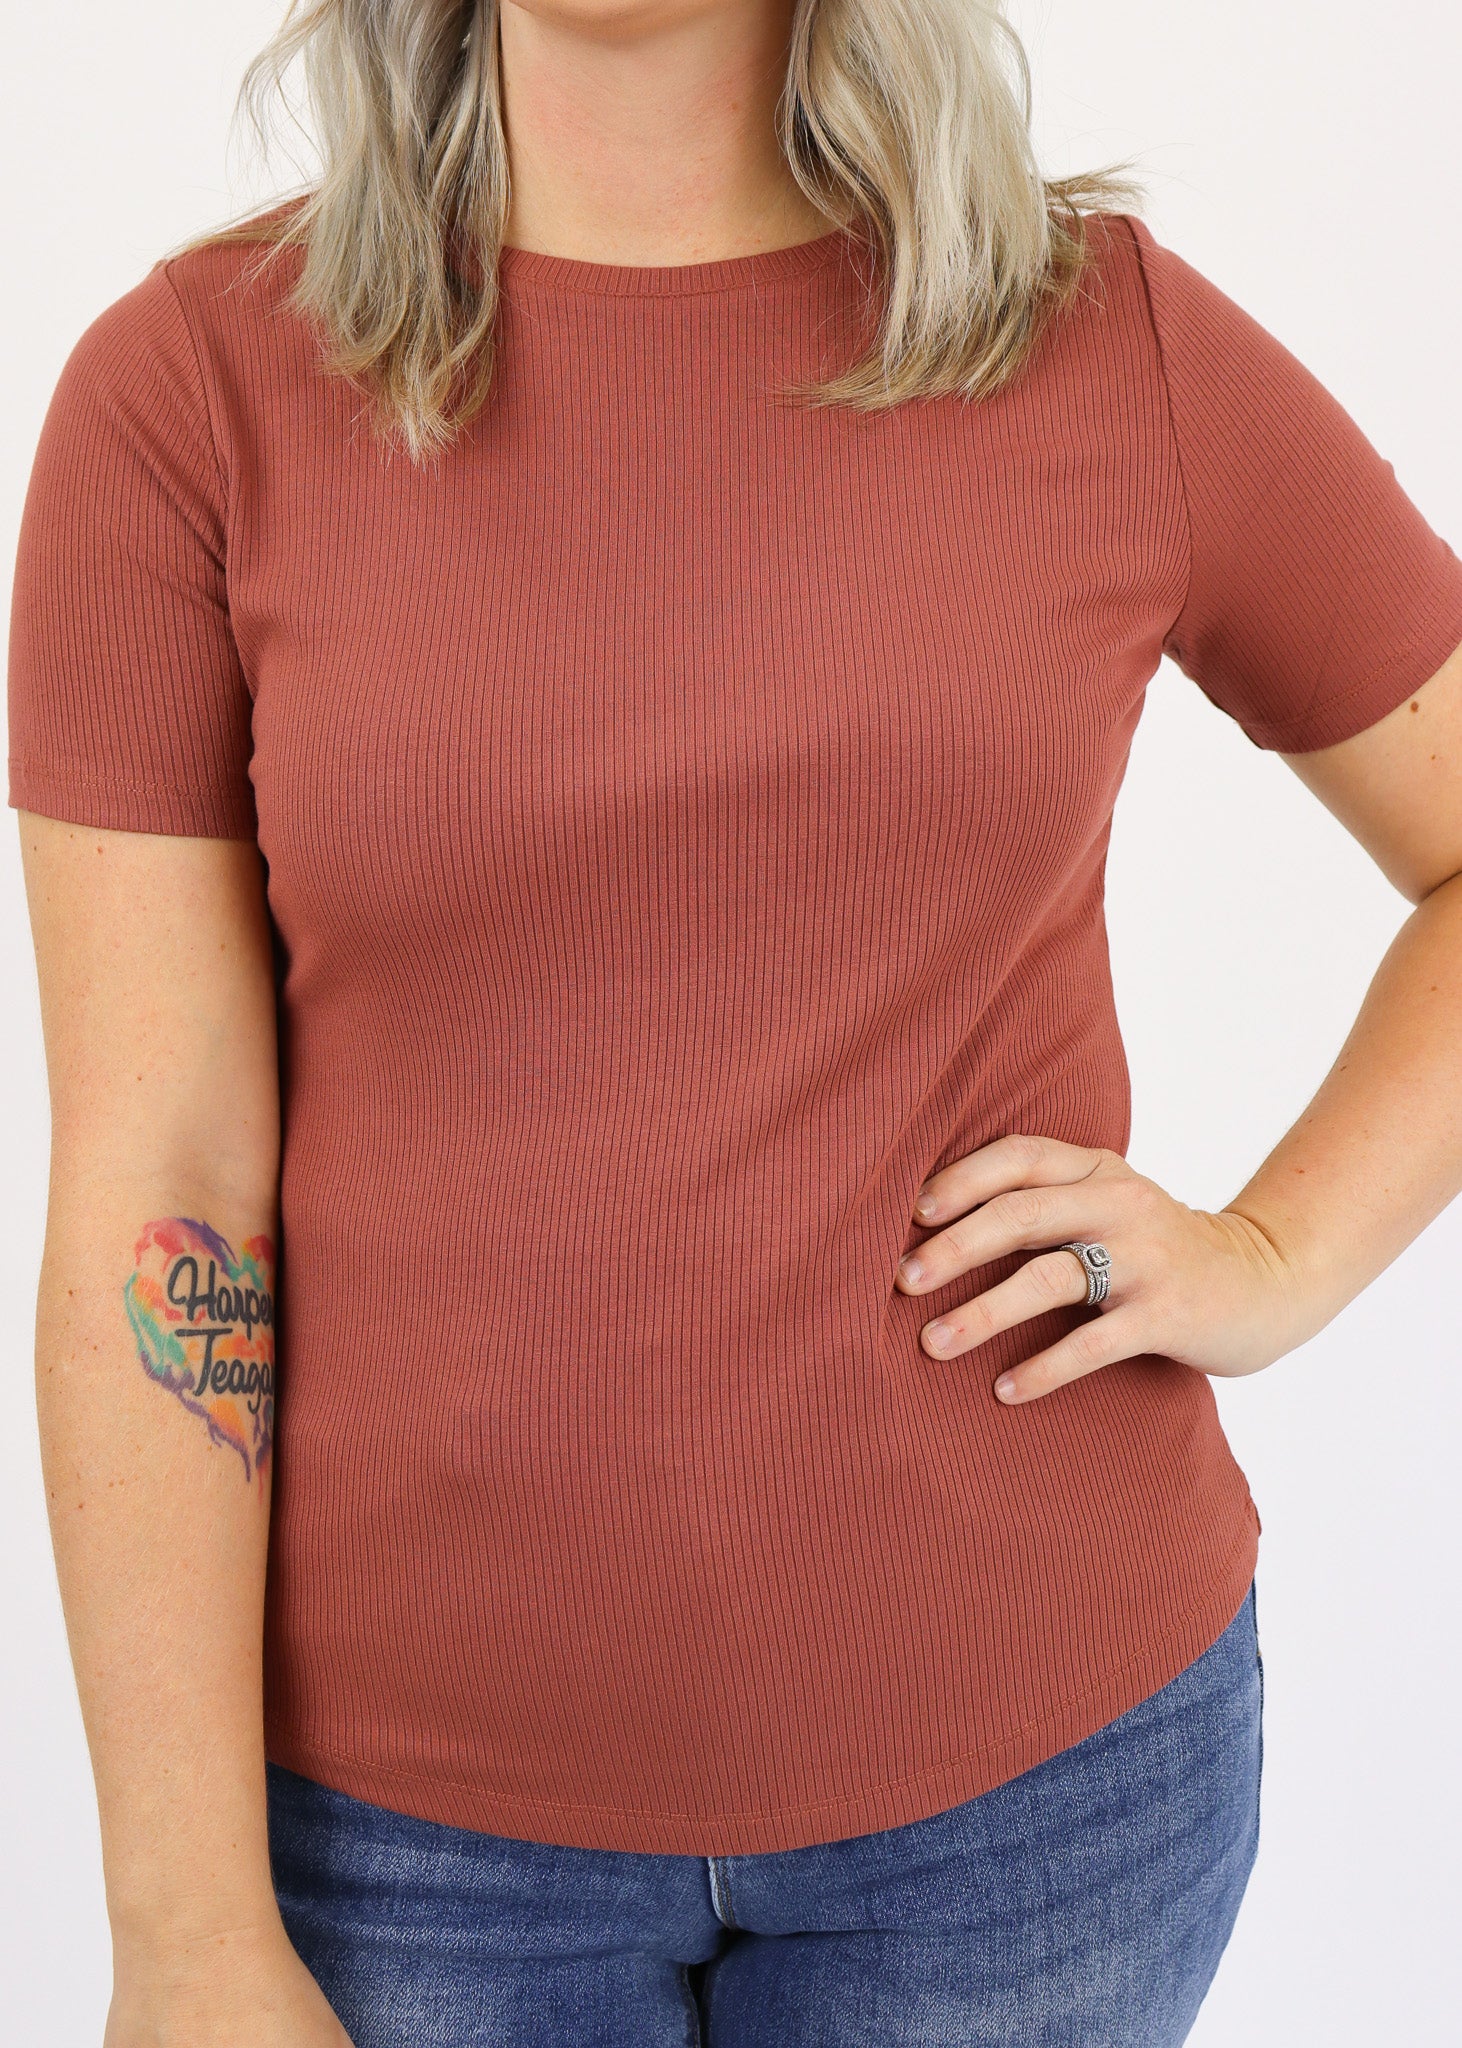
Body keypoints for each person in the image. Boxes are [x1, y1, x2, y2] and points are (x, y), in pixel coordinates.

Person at [10, 0, 1462, 2041]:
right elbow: (159, 1188)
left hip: (1039, 1802)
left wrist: (1275, 1254)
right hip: (399, 1837)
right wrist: (181, 1929)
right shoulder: (191, 398)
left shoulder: (1101, 343)